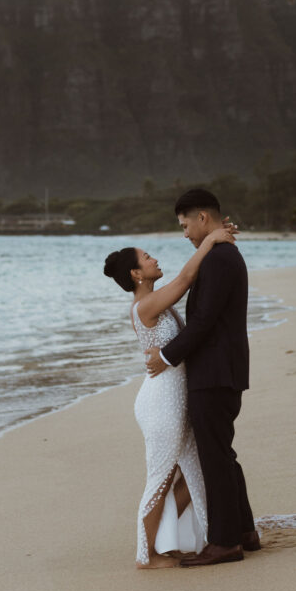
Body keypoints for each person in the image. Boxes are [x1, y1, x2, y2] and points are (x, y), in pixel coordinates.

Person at [104, 222, 236, 569]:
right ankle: (146, 555)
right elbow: (184, 282)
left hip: (178, 401)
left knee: (195, 476)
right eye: (147, 258)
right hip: (160, 403)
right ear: (136, 273)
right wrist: (209, 241)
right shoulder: (143, 306)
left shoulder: (153, 301)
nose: (154, 259)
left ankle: (187, 541)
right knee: (161, 479)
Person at [145, 188, 260, 567]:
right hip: (223, 371)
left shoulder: (219, 259)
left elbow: (204, 321)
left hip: (214, 374)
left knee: (215, 458)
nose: (185, 234)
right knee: (223, 454)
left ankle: (226, 542)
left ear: (203, 219)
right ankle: (244, 530)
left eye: (185, 225)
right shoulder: (219, 254)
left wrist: (165, 356)